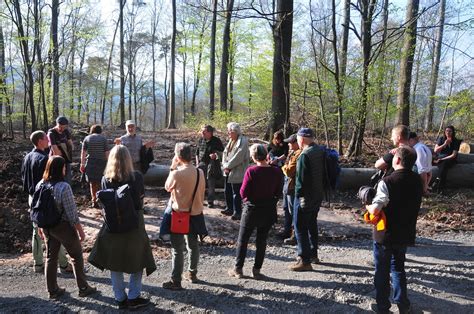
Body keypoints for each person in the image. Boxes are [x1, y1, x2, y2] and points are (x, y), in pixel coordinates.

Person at [88, 145, 156, 309]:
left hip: (112, 224)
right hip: (135, 223)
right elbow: (139, 201)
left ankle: (120, 298)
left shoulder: (105, 179)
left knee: (114, 261)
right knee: (138, 259)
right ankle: (133, 297)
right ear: (128, 159)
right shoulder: (137, 177)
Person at [365, 146, 423, 313]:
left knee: (382, 271)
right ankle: (403, 306)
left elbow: (375, 210)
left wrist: (368, 205)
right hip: (405, 233)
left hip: (385, 235)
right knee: (398, 268)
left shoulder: (387, 182)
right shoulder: (418, 180)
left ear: (397, 160)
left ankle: (383, 307)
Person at [38, 156, 97, 299]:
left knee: (50, 258)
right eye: (64, 167)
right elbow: (72, 214)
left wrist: (39, 226)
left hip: (46, 226)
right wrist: (81, 231)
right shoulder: (64, 187)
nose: (65, 169)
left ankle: (52, 290)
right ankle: (83, 287)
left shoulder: (40, 184)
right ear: (60, 169)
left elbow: (36, 208)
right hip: (63, 227)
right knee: (76, 256)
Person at [228, 144, 283, 279]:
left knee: (243, 240)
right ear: (266, 155)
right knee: (261, 240)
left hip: (252, 209)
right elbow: (278, 192)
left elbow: (243, 192)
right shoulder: (276, 171)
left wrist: (248, 200)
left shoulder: (251, 171)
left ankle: (238, 269)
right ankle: (257, 270)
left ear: (253, 156)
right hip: (268, 209)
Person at [21, 131, 72, 274]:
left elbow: (23, 180)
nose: (48, 140)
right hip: (45, 198)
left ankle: (38, 264)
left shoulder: (27, 157)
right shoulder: (44, 159)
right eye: (45, 138)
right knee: (53, 230)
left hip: (32, 197)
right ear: (39, 141)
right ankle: (63, 264)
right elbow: (50, 180)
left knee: (36, 231)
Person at [163, 143, 206, 290]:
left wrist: (172, 167)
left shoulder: (176, 173)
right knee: (193, 246)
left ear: (178, 157)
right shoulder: (200, 172)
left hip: (180, 214)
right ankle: (192, 274)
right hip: (196, 214)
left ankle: (176, 280)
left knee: (177, 249)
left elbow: (167, 187)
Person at [289, 128, 324, 271]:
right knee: (311, 224)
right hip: (317, 195)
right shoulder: (319, 150)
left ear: (301, 139)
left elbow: (300, 181)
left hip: (305, 198)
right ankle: (313, 254)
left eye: (297, 139)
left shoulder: (304, 155)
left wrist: (297, 196)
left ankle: (304, 260)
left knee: (300, 226)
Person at [221, 122, 249, 220]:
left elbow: (239, 157)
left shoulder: (243, 141)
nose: (228, 134)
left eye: (229, 132)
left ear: (235, 132)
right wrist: (225, 166)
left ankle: (237, 212)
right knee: (227, 190)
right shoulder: (231, 140)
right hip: (227, 170)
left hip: (237, 170)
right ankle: (229, 208)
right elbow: (225, 153)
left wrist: (228, 166)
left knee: (236, 192)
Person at [80, 125, 109, 208]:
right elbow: (106, 153)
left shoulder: (87, 138)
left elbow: (83, 153)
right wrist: (109, 164)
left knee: (92, 183)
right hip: (102, 163)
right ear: (100, 131)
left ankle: (94, 200)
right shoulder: (103, 139)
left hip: (91, 163)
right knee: (101, 182)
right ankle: (101, 200)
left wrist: (82, 164)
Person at [195, 124, 224, 208]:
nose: (202, 133)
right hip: (201, 164)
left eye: (204, 131)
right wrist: (197, 163)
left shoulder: (217, 141)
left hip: (212, 165)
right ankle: (199, 200)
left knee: (211, 183)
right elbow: (197, 153)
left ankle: (210, 201)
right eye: (202, 131)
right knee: (199, 183)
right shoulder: (201, 140)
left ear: (210, 132)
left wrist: (216, 155)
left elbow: (223, 153)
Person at [280, 134, 301, 245]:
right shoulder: (292, 152)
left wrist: (283, 167)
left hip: (293, 186)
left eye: (290, 142)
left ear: (297, 143)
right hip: (288, 185)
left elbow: (288, 171)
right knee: (286, 209)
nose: (288, 144)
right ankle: (287, 231)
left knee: (293, 212)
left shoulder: (298, 154)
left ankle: (295, 236)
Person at [432, 126, 462, 192]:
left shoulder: (455, 141)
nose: (448, 132)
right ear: (444, 132)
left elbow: (453, 155)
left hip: (450, 159)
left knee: (444, 164)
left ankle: (437, 181)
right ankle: (440, 187)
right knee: (442, 165)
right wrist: (444, 144)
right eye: (446, 131)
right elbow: (435, 151)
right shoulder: (441, 138)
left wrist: (443, 159)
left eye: (450, 131)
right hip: (440, 158)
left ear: (453, 132)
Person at [48, 116, 74, 183]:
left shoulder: (66, 131)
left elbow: (71, 145)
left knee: (68, 179)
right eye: (60, 127)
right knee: (58, 178)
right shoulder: (51, 133)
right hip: (56, 160)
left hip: (67, 158)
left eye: (64, 127)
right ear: (56, 124)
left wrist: (65, 147)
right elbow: (56, 151)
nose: (62, 129)